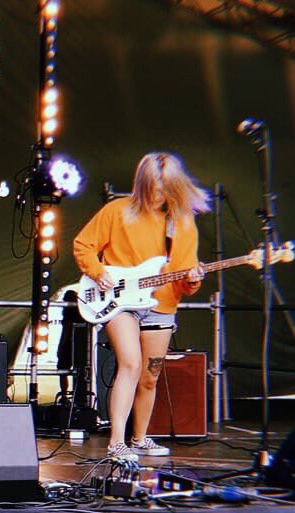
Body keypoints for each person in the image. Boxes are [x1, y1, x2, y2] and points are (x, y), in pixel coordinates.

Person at [72, 152, 208, 460]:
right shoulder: (116, 211)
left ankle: (140, 438)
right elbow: (83, 244)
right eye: (154, 187)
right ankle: (116, 443)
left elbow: (184, 278)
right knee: (130, 364)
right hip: (120, 301)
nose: (159, 193)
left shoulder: (183, 223)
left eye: (166, 187)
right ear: (143, 184)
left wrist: (193, 280)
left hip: (162, 305)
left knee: (150, 375)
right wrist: (98, 272)